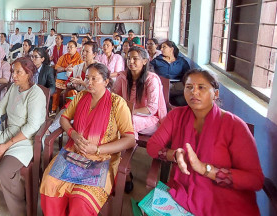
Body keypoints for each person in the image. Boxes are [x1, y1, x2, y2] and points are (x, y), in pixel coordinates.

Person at [146, 69, 264, 215]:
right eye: (189, 87)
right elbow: (152, 146)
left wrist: (205, 169)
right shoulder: (176, 116)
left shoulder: (234, 125)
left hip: (224, 202)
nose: (194, 92)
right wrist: (175, 155)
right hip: (183, 195)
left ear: (215, 94)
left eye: (201, 87)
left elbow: (254, 180)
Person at [40, 63, 136, 215]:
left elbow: (130, 140)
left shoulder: (118, 104)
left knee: (81, 199)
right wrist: (74, 134)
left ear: (106, 81)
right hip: (74, 152)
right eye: (87, 78)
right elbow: (64, 118)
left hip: (101, 159)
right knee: (49, 183)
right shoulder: (81, 96)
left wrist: (97, 149)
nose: (88, 82)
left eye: (94, 79)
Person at [0, 57, 47, 216]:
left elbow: (32, 127)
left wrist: (7, 145)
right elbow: (1, 107)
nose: (14, 75)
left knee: (4, 173)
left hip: (26, 141)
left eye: (18, 72)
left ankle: (20, 209)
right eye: (13, 71)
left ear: (28, 73)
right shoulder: (14, 87)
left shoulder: (36, 94)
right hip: (8, 134)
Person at [113, 46, 167, 138]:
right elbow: (114, 97)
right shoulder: (122, 76)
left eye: (135, 59)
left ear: (145, 61)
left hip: (149, 119)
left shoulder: (151, 79)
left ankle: (128, 146)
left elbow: (151, 109)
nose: (131, 61)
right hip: (126, 114)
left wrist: (129, 112)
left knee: (129, 120)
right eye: (129, 58)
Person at [150, 40, 191, 106]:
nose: (161, 49)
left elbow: (188, 75)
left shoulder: (181, 61)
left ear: (171, 49)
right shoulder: (156, 61)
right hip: (162, 85)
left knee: (183, 99)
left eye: (164, 47)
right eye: (161, 47)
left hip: (178, 86)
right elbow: (150, 73)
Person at [52, 40, 82, 112]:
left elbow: (82, 70)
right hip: (62, 79)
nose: (69, 49)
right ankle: (54, 109)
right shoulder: (63, 57)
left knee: (71, 93)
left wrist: (73, 70)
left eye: (71, 47)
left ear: (76, 48)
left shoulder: (80, 58)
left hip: (73, 80)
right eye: (68, 47)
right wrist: (65, 69)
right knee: (56, 91)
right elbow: (57, 67)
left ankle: (69, 110)